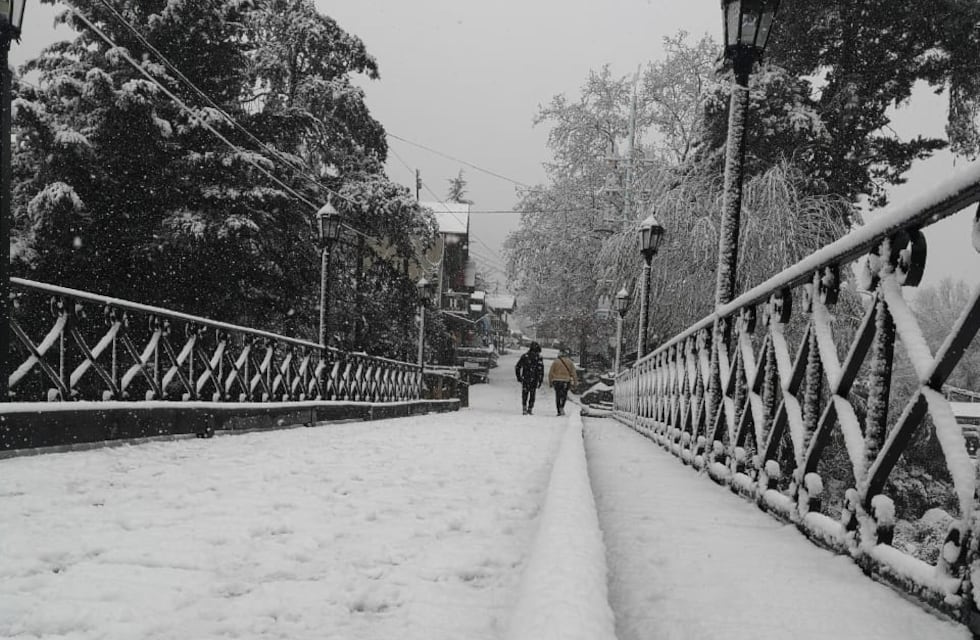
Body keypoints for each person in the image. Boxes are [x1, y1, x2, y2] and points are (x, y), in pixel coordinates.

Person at [515, 342, 544, 415]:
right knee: (532, 393)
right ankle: (530, 408)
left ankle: (524, 407)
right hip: (534, 378)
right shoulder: (538, 358)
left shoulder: (525, 356)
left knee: (525, 393)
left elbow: (518, 367)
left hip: (526, 377)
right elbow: (541, 370)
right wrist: (540, 380)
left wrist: (519, 377)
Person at [548, 349, 578, 416]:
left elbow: (550, 373)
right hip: (566, 381)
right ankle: (562, 406)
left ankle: (559, 410)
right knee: (564, 395)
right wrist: (575, 383)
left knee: (558, 395)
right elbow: (574, 373)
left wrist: (550, 382)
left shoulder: (556, 362)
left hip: (557, 381)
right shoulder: (570, 362)